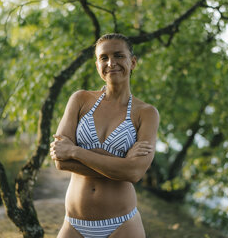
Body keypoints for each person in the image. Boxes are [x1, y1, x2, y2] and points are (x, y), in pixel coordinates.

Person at [50, 33, 159, 238]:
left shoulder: (146, 113)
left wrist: (75, 151)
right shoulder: (80, 99)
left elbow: (134, 173)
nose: (111, 63)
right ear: (97, 64)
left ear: (132, 62)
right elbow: (61, 162)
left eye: (119, 55)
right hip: (74, 224)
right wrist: (122, 163)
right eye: (104, 57)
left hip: (122, 225)